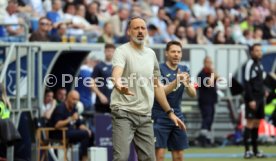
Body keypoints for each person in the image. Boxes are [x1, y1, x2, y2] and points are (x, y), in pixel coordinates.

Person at [110, 17, 185, 161]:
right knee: (121, 158)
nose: (140, 31)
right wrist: (119, 85)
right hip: (123, 112)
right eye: (136, 28)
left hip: (144, 115)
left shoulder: (151, 54)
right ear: (129, 32)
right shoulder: (122, 51)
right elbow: (116, 74)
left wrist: (170, 112)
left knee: (150, 159)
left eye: (143, 28)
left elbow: (158, 87)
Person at [152, 40, 196, 161]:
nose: (176, 54)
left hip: (178, 115)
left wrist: (186, 84)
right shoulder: (159, 69)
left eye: (179, 52)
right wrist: (176, 81)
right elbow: (160, 92)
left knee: (179, 156)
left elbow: (193, 94)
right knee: (159, 155)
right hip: (159, 116)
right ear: (167, 53)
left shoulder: (184, 69)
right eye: (173, 51)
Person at [50, 90, 93, 161]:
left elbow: (79, 124)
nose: (75, 102)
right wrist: (70, 119)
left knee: (90, 134)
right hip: (58, 133)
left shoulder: (74, 109)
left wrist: (87, 129)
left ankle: (86, 157)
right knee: (84, 134)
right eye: (74, 99)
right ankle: (84, 158)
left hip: (69, 132)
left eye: (77, 100)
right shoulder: (60, 108)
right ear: (68, 98)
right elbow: (57, 125)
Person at [243, 44, 267, 158]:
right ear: (252, 52)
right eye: (257, 50)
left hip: (260, 98)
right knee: (249, 123)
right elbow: (247, 83)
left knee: (257, 124)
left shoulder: (260, 65)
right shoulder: (249, 64)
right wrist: (251, 99)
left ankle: (256, 150)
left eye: (260, 50)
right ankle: (247, 151)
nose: (259, 52)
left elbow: (260, 81)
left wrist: (264, 91)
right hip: (252, 99)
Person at [197, 56, 219, 146]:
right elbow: (209, 84)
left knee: (210, 120)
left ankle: (209, 139)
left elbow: (218, 78)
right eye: (208, 62)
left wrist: (213, 73)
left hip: (212, 100)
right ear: (204, 63)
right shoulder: (201, 74)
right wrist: (213, 74)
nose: (210, 64)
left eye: (211, 62)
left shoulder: (210, 73)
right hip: (205, 101)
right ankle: (203, 139)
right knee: (207, 119)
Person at [91, 43, 115, 113]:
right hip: (101, 102)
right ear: (104, 51)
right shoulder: (99, 66)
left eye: (112, 51)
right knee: (102, 123)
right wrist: (100, 95)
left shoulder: (118, 66)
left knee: (116, 123)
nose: (110, 53)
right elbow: (92, 83)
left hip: (115, 103)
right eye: (108, 51)